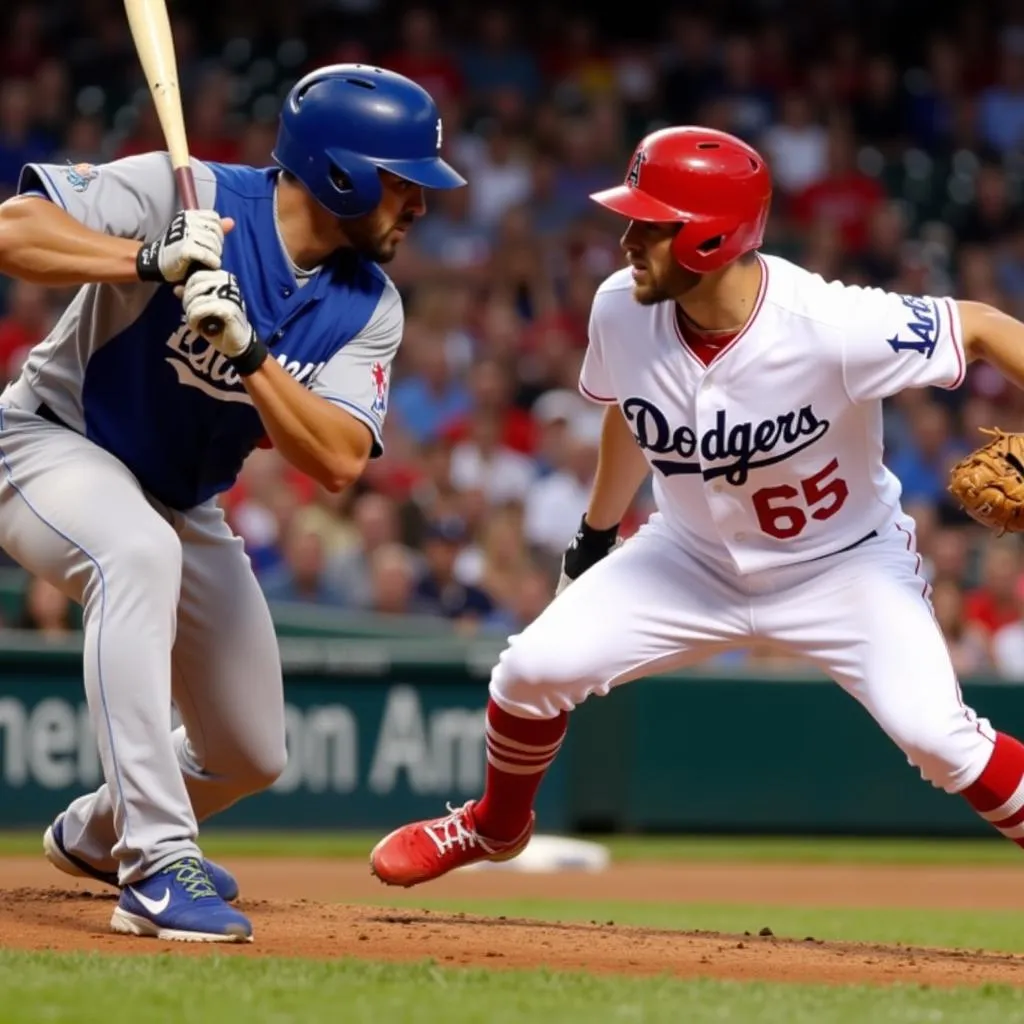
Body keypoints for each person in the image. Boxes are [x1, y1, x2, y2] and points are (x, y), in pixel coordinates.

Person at [370, 125, 1024, 887]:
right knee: (528, 671)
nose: (626, 240)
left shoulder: (832, 327)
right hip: (688, 558)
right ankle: (495, 826)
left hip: (843, 567)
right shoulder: (620, 307)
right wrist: (594, 536)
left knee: (939, 741)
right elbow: (628, 412)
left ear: (712, 240)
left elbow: (979, 326)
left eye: (650, 225)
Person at [0, 63, 464, 940]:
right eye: (405, 184)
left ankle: (100, 832)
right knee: (135, 554)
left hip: (182, 499)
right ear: (343, 174)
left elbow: (334, 459)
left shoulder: (371, 304)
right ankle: (157, 862)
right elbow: (13, 230)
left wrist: (248, 352)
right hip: (49, 442)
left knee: (251, 751)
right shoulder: (191, 193)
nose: (420, 206)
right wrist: (147, 259)